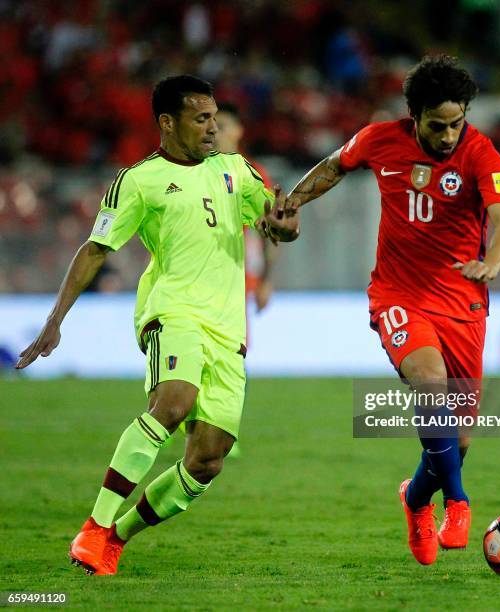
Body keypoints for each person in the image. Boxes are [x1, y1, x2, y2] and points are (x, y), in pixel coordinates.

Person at [16, 75, 300, 575]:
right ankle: (95, 526)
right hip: (171, 312)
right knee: (173, 401)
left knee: (208, 459)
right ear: (167, 123)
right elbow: (95, 249)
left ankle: (117, 537)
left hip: (227, 329)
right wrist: (54, 320)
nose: (214, 129)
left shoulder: (235, 169)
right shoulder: (139, 180)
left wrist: (285, 224)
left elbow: (273, 218)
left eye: (215, 118)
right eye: (201, 119)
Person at [286, 55, 500, 565]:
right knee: (429, 380)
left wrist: (492, 262)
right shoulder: (379, 138)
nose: (448, 136)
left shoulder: (480, 153)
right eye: (437, 126)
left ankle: (415, 499)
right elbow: (332, 167)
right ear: (413, 116)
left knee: (455, 445)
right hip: (399, 295)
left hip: (462, 302)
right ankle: (458, 503)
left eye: (456, 123)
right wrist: (291, 203)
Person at [215, 102, 275, 314]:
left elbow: (268, 230)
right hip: (194, 278)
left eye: (221, 127)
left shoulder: (252, 175)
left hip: (234, 278)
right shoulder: (192, 171)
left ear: (238, 130)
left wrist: (265, 280)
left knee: (233, 344)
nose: (214, 133)